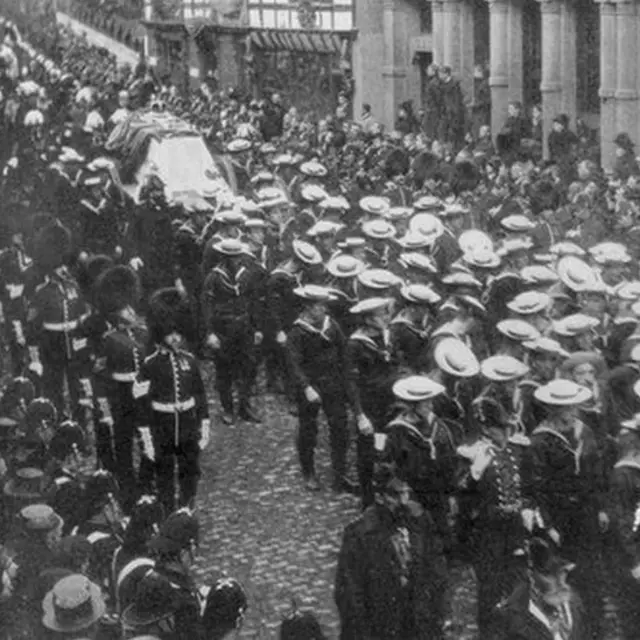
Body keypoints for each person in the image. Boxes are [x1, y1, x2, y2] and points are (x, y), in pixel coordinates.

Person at [334, 463, 447, 640]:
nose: (403, 501)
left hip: (417, 621)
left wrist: (436, 613)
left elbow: (436, 568)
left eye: (406, 493)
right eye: (396, 495)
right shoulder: (360, 535)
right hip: (381, 625)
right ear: (379, 497)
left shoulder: (420, 521)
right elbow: (349, 592)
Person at [134, 287, 210, 514]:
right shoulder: (149, 365)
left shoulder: (190, 361)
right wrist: (146, 437)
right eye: (170, 333)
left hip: (187, 425)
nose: (176, 338)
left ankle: (187, 506)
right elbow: (142, 405)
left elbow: (200, 395)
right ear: (160, 333)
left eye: (178, 332)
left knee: (190, 471)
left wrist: (204, 424)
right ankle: (167, 510)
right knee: (164, 473)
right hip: (162, 427)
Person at [286, 285, 355, 494]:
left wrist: (346, 380)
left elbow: (344, 353)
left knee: (340, 427)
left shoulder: (331, 326)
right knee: (308, 430)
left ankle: (340, 474)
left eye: (324, 305)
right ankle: (309, 472)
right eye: (318, 306)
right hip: (310, 387)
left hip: (333, 384)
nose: (323, 310)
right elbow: (293, 365)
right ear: (307, 307)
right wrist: (306, 387)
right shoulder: (297, 332)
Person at [201, 238, 264, 425]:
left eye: (238, 256)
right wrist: (210, 333)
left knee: (248, 367)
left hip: (244, 328)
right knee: (224, 370)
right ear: (223, 257)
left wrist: (257, 328)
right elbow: (206, 307)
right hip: (223, 330)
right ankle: (228, 409)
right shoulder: (213, 278)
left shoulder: (247, 275)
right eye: (231, 257)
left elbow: (253, 303)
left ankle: (245, 406)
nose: (236, 260)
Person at [346, 297, 397, 508]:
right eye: (382, 315)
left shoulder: (386, 337)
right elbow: (350, 382)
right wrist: (359, 415)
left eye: (387, 313)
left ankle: (387, 494)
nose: (387, 317)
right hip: (369, 406)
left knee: (387, 448)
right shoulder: (355, 344)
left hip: (389, 404)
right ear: (368, 320)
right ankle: (367, 499)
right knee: (367, 452)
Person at [493, 537, 589, 639]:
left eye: (562, 572)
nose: (558, 581)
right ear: (531, 574)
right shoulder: (511, 617)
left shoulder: (576, 604)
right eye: (548, 574)